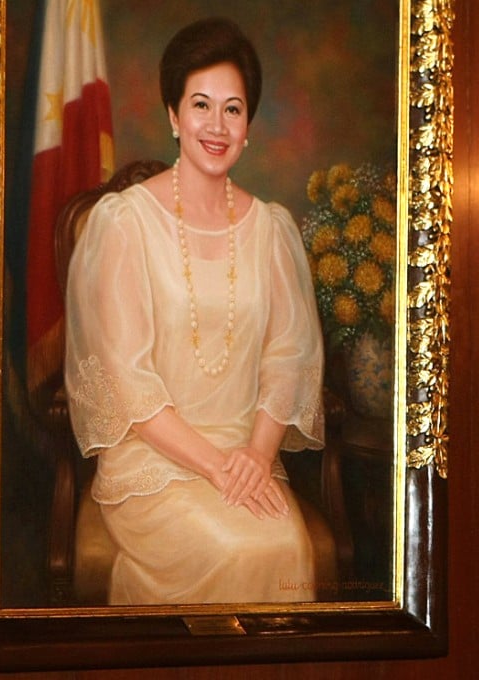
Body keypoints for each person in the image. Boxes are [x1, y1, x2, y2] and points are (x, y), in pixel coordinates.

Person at [64, 17, 325, 605]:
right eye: (200, 104)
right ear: (173, 115)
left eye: (233, 110)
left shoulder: (272, 229)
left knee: (286, 548)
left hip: (246, 458)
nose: (216, 124)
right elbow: (128, 382)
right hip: (152, 463)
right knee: (242, 550)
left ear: (248, 126)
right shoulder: (125, 223)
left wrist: (255, 456)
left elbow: (287, 358)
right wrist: (214, 466)